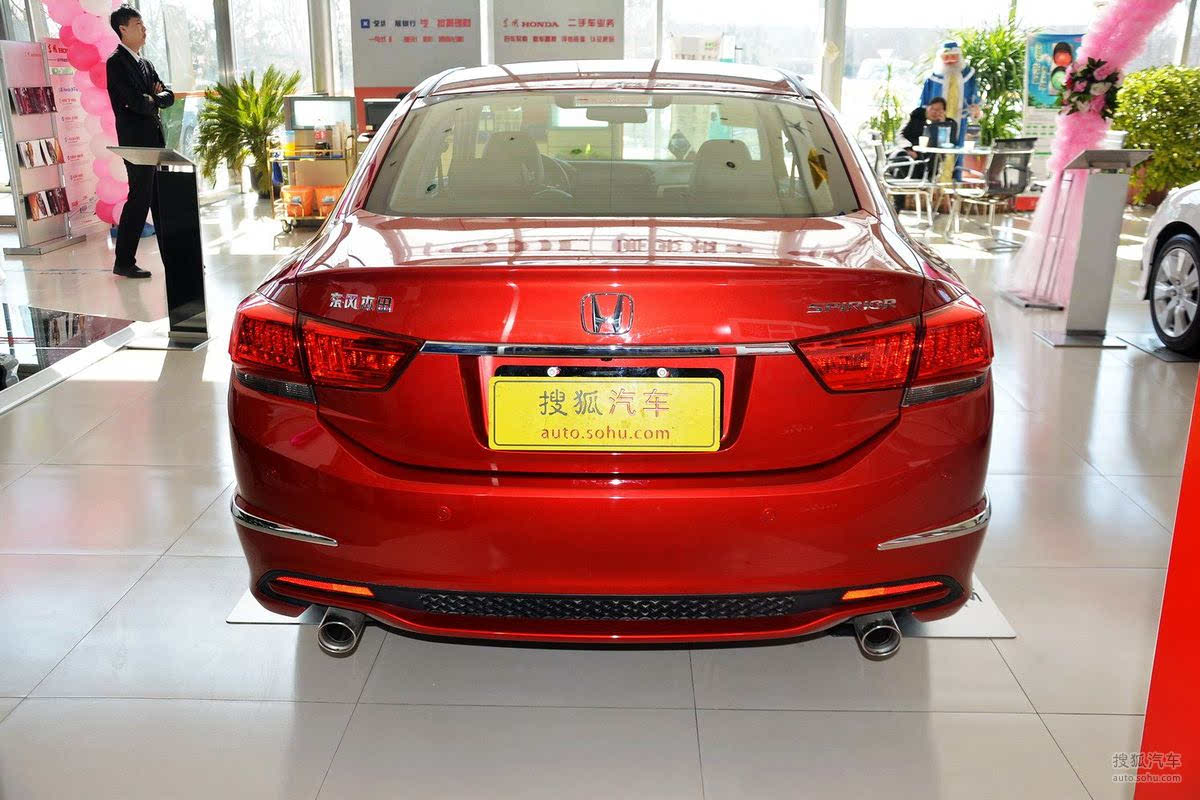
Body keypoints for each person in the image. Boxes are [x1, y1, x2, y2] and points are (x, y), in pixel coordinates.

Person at [106, 5, 174, 279]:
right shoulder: (116, 63)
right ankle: (123, 261)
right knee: (139, 200)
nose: (144, 29)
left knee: (161, 202)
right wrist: (154, 98)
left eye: (143, 24)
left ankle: (174, 260)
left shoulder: (146, 64)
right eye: (138, 25)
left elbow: (168, 96)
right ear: (123, 29)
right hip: (136, 145)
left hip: (155, 142)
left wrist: (154, 97)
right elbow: (135, 102)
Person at [920, 41, 980, 182]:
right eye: (946, 57)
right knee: (938, 152)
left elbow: (974, 98)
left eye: (954, 57)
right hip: (938, 121)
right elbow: (924, 102)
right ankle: (936, 183)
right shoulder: (933, 77)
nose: (950, 61)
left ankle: (955, 182)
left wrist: (975, 108)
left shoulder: (968, 75)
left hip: (960, 119)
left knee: (958, 150)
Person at [888, 97, 958, 211]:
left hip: (927, 166)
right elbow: (900, 136)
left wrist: (939, 124)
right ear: (927, 108)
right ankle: (897, 205)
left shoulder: (949, 124)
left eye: (939, 110)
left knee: (897, 168)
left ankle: (897, 206)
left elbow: (948, 144)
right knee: (899, 156)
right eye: (932, 109)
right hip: (909, 158)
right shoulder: (917, 116)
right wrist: (908, 149)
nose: (934, 112)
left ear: (944, 112)